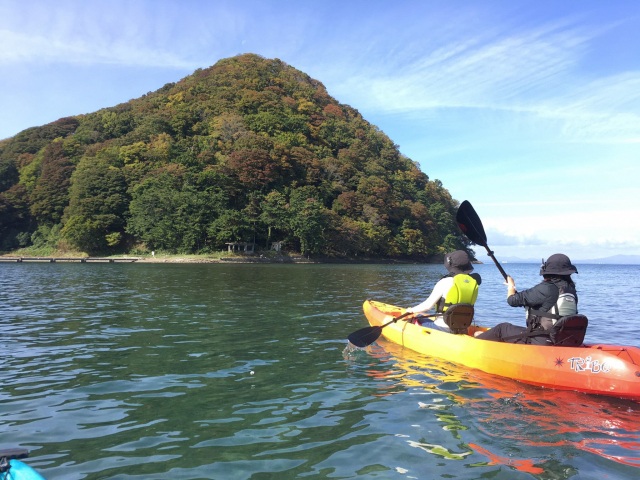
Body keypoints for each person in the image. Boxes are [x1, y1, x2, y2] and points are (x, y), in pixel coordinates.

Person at [475, 253, 578, 344]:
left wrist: (511, 285)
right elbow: (531, 300)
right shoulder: (571, 290)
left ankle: (476, 341)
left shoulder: (546, 288)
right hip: (561, 340)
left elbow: (512, 300)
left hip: (541, 341)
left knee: (502, 328)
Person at [405, 250, 481, 332]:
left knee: (417, 317)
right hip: (463, 329)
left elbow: (427, 306)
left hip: (442, 329)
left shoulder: (445, 281)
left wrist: (411, 310)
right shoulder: (473, 283)